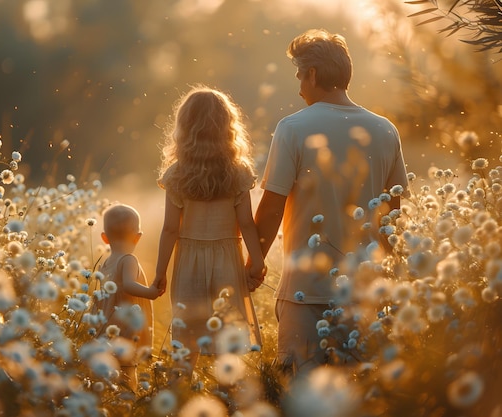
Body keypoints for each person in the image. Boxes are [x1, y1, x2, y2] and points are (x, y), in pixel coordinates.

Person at [254, 29, 409, 375]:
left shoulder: (292, 128)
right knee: (361, 395)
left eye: (298, 74)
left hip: (304, 295)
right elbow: (392, 218)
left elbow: (272, 207)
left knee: (302, 397)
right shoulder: (385, 130)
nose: (298, 86)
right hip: (365, 293)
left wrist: (253, 263)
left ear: (312, 73)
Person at [153, 85, 265, 373]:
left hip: (188, 263)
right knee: (227, 342)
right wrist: (258, 261)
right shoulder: (238, 172)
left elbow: (169, 230)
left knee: (186, 343)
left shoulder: (177, 174)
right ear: (227, 127)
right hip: (227, 262)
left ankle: (177, 395)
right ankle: (229, 400)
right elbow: (247, 224)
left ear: (184, 127)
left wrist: (160, 273)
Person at [97, 203, 162, 391]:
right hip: (125, 329)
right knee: (126, 371)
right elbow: (128, 285)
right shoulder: (128, 260)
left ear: (104, 238)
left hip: (106, 326)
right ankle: (127, 403)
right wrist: (151, 292)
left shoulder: (106, 262)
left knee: (106, 372)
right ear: (138, 237)